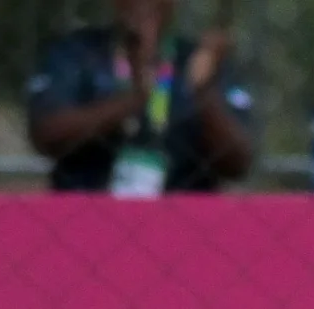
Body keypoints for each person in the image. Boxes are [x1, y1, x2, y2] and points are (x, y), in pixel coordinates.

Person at [26, 0, 253, 195]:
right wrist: (134, 98)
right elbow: (47, 134)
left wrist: (204, 93)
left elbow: (238, 163)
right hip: (87, 212)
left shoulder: (198, 60)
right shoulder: (76, 53)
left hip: (182, 217)